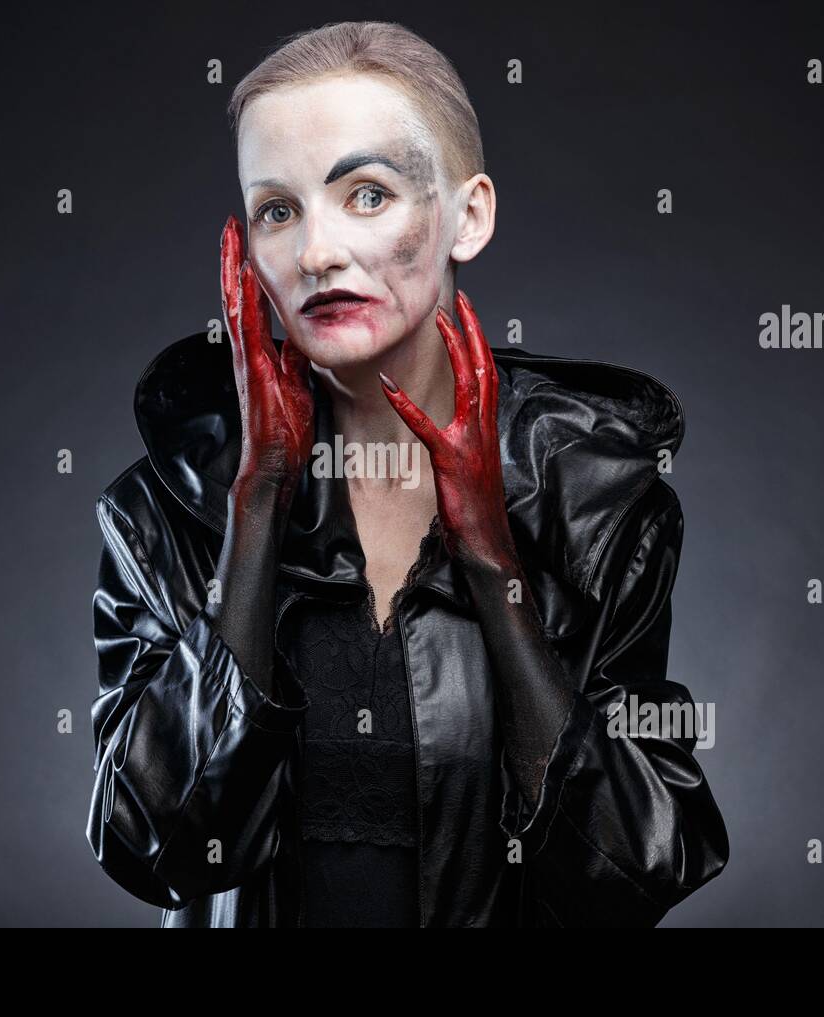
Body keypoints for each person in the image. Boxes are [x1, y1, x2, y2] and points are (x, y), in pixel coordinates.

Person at [85, 20, 729, 927]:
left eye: (366, 194)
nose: (315, 252)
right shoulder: (164, 515)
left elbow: (627, 873)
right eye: (277, 209)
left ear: (468, 215)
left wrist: (493, 561)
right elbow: (156, 843)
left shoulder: (599, 511)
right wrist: (258, 503)